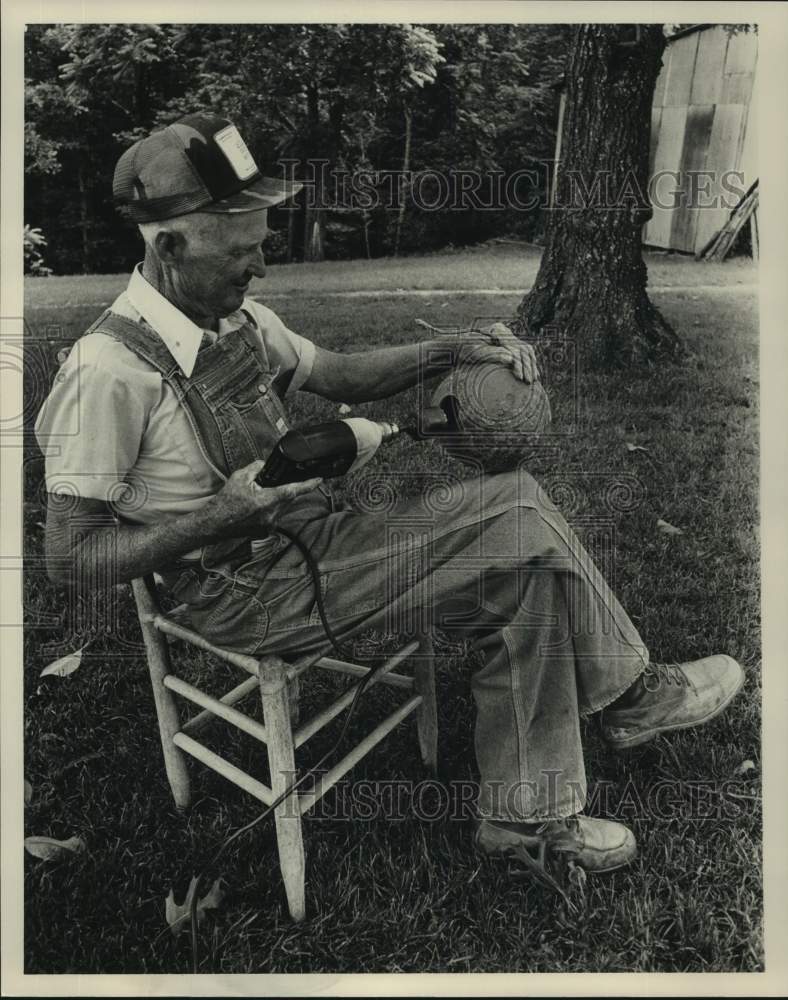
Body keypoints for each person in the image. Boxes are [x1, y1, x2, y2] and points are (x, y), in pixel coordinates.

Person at [35, 112, 745, 880]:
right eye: (243, 251)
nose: (262, 269)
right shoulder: (106, 371)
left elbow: (340, 373)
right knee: (514, 506)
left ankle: (525, 824)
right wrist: (223, 513)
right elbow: (70, 559)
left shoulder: (236, 318)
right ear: (168, 247)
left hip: (316, 543)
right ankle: (633, 695)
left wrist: (453, 346)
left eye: (263, 245)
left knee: (527, 578)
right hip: (241, 590)